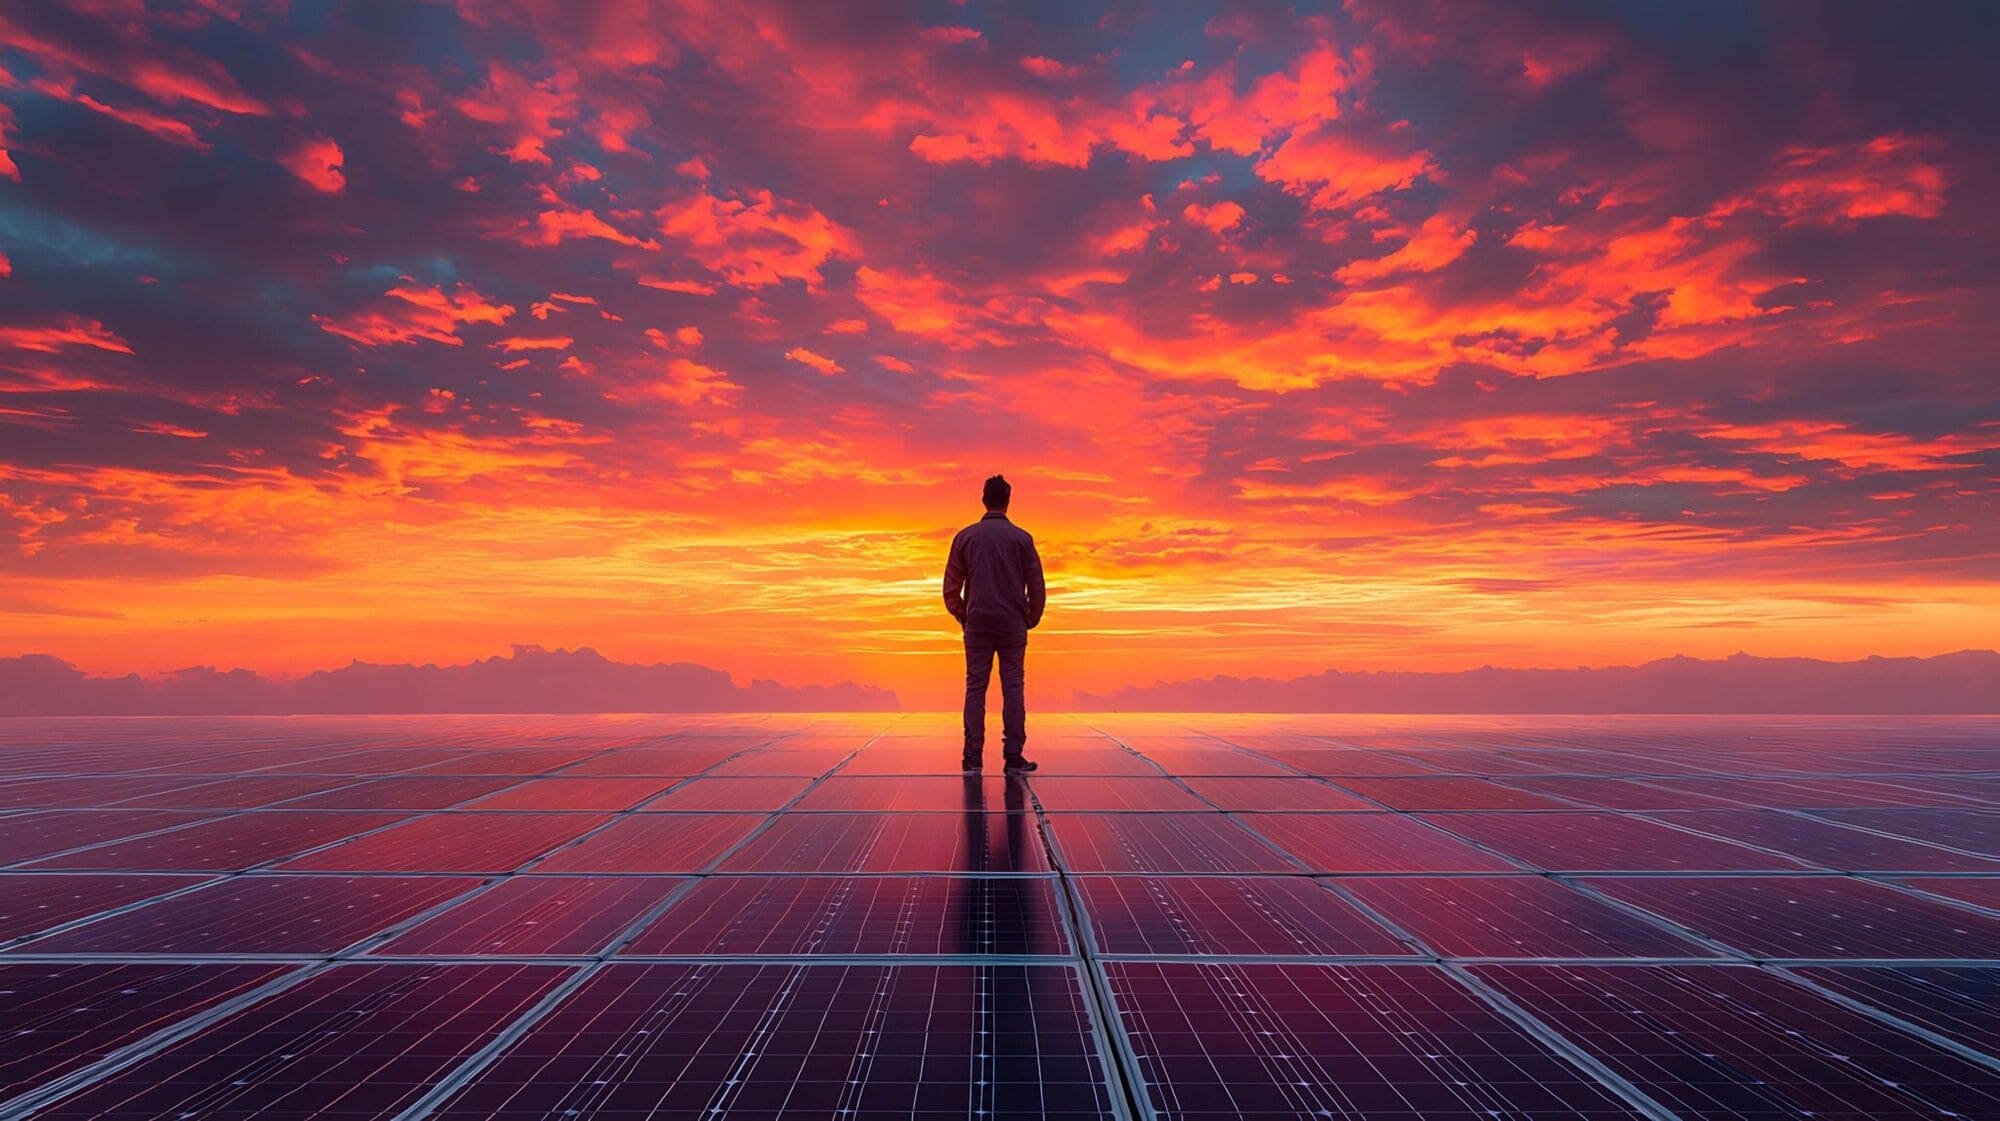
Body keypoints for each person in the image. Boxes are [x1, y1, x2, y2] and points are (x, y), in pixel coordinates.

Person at [942, 474, 1045, 772]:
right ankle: (1013, 756)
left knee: (975, 686)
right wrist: (1031, 616)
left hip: (977, 622)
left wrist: (963, 614)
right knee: (1013, 687)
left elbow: (951, 586)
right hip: (1013, 623)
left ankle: (972, 756)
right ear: (1008, 501)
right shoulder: (1022, 539)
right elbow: (1036, 585)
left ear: (983, 500)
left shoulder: (965, 538)